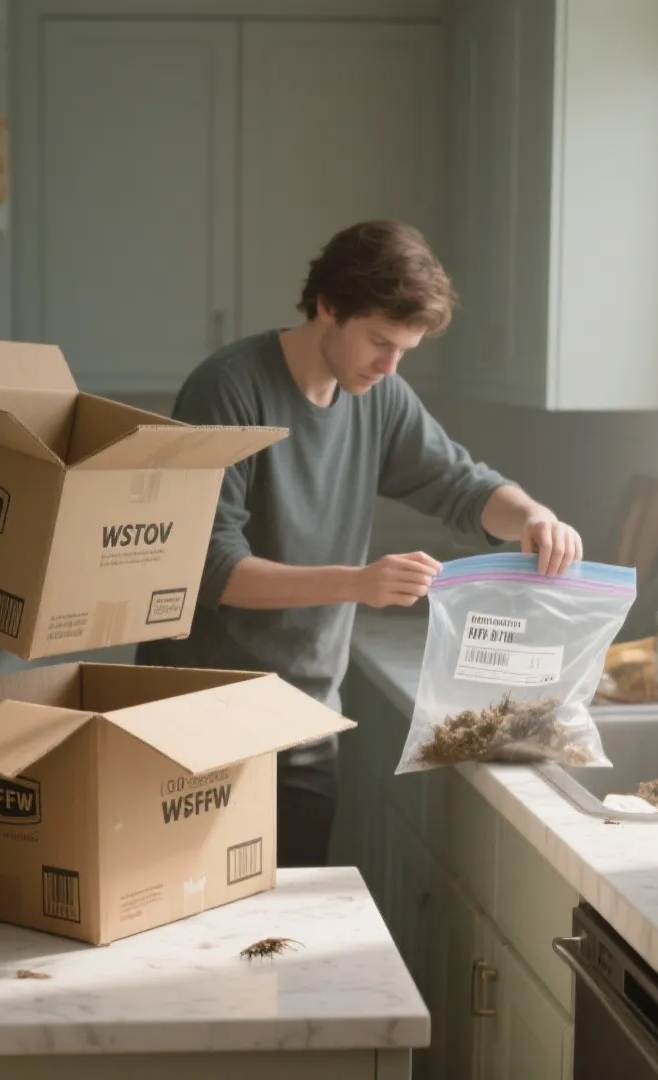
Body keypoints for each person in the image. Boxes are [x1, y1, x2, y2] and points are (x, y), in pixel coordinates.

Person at [135, 220, 584, 868]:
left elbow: (461, 484)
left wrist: (534, 516)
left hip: (306, 717)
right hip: (203, 718)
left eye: (405, 350)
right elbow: (209, 566)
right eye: (379, 341)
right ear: (328, 306)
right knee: (193, 916)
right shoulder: (228, 387)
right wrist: (357, 582)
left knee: (290, 915)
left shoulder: (381, 397)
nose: (389, 366)